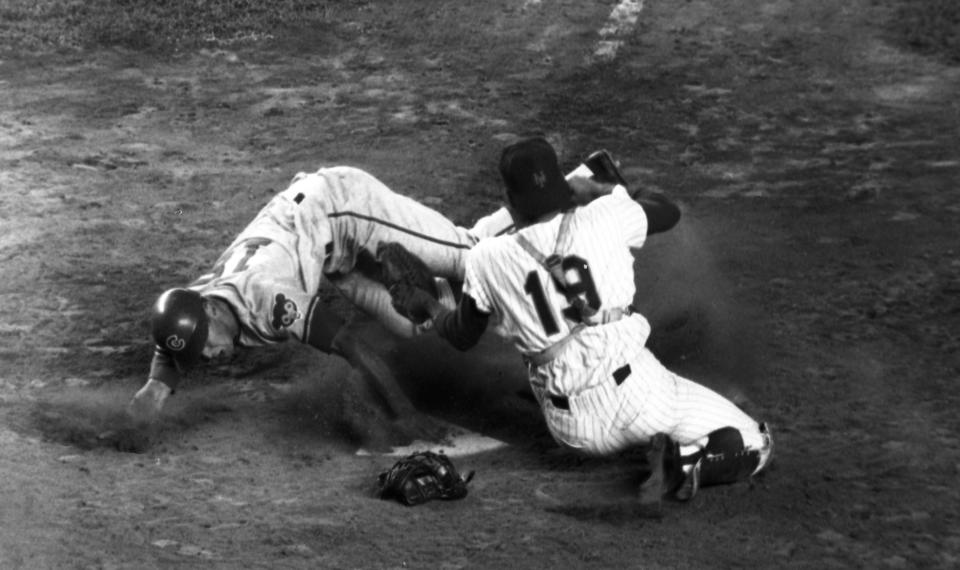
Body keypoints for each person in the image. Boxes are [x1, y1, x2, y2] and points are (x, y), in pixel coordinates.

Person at [388, 137, 774, 503]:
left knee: (548, 361)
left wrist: (426, 304)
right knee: (753, 439)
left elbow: (460, 334)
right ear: (563, 188)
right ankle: (685, 464)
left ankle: (660, 451)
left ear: (508, 201)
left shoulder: (486, 258)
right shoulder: (605, 216)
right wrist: (603, 190)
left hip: (571, 429)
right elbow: (667, 210)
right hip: (640, 399)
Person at [126, 165, 496, 440]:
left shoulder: (270, 300)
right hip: (328, 248)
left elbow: (352, 346)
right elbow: (175, 341)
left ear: (210, 310)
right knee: (417, 326)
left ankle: (538, 220)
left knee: (472, 257)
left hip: (343, 205)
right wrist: (153, 392)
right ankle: (435, 282)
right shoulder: (200, 299)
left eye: (204, 342)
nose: (206, 354)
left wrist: (404, 413)